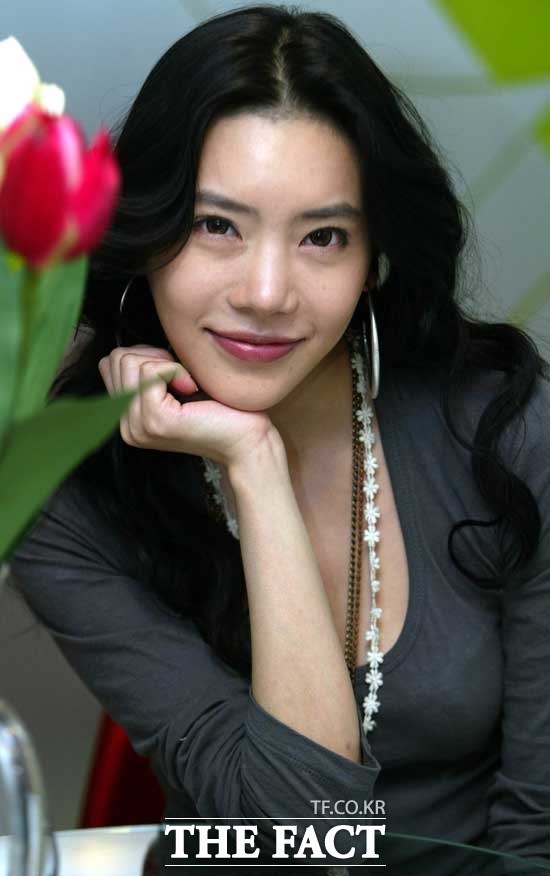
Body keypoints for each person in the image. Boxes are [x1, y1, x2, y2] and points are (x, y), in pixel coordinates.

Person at [8, 4, 550, 874]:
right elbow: (302, 834)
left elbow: (540, 829)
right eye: (216, 225)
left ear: (373, 259)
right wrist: (254, 465)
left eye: (323, 237)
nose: (266, 293)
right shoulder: (64, 499)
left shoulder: (504, 434)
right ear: (147, 232)